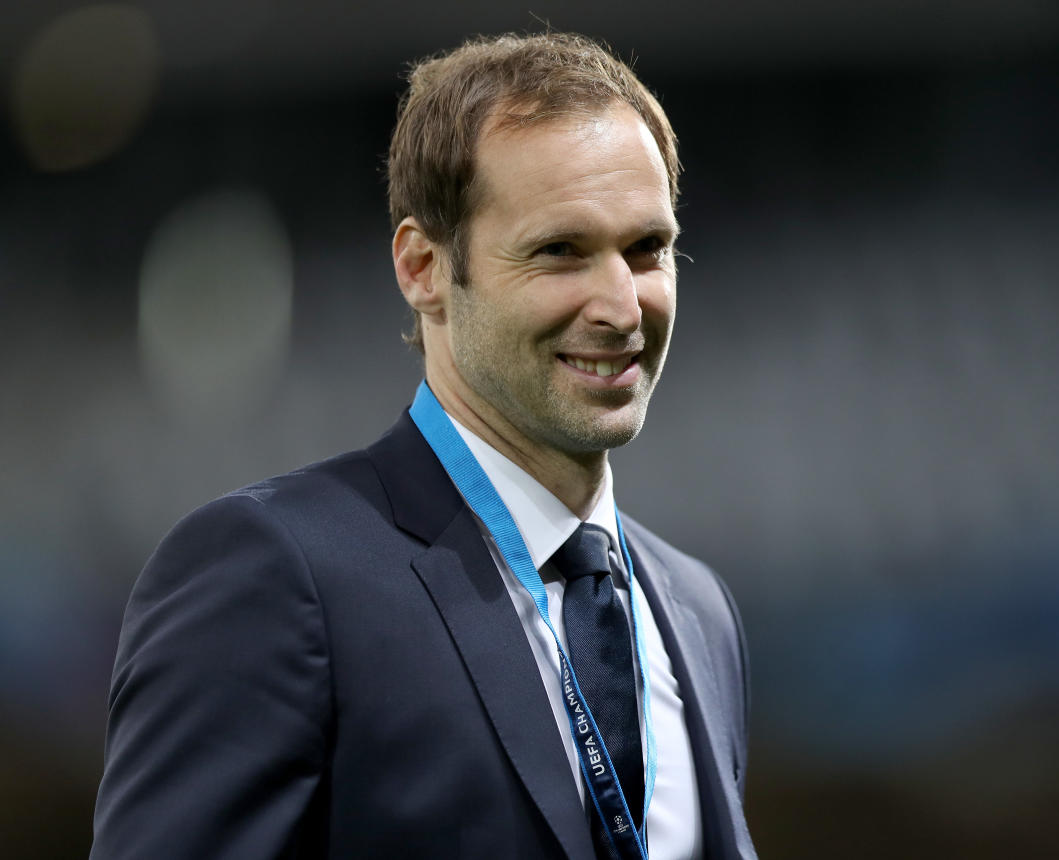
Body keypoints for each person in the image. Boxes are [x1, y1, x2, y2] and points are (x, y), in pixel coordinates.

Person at [90, 32, 754, 860]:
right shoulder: (274, 574)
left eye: (647, 249)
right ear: (423, 267)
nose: (623, 306)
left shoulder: (697, 611)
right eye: (560, 252)